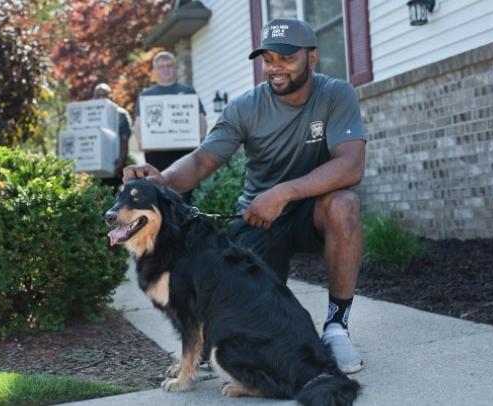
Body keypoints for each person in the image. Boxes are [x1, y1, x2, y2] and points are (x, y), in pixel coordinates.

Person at [123, 18, 366, 374]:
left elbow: (351, 166)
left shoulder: (336, 94)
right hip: (258, 217)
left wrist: (283, 192)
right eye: (268, 59)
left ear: (312, 59)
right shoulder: (245, 107)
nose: (275, 68)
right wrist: (164, 179)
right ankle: (218, 341)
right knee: (250, 310)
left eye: (286, 58)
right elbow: (204, 158)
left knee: (345, 204)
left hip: (311, 209)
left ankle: (336, 327)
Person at [133, 51, 207, 203]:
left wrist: (201, 140)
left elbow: (200, 118)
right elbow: (139, 122)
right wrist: (141, 143)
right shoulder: (147, 95)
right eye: (161, 67)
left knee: (184, 194)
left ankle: (184, 225)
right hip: (156, 153)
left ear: (175, 68)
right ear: (155, 70)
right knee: (159, 192)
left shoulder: (188, 91)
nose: (165, 69)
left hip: (185, 152)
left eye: (169, 66)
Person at [93, 83, 131, 191]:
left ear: (111, 97)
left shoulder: (121, 114)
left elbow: (124, 140)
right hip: (92, 171)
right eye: (98, 95)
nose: (101, 98)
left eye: (104, 95)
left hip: (113, 169)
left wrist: (121, 161)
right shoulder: (88, 116)